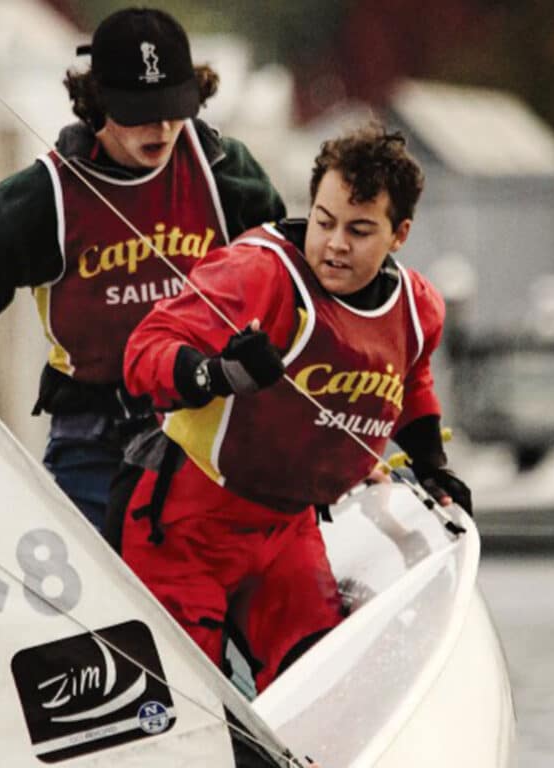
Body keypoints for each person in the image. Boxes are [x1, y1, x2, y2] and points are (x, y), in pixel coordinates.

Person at [116, 123, 472, 693]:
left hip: (289, 530)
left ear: (399, 234)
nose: (335, 244)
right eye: (325, 222)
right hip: (185, 523)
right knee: (190, 700)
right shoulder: (258, 272)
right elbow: (143, 351)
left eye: (359, 230)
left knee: (321, 686)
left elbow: (409, 378)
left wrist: (431, 463)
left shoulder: (418, 308)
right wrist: (216, 372)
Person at [0, 7, 285, 528]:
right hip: (94, 438)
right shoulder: (46, 197)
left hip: (211, 423)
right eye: (141, 111)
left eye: (174, 108)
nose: (162, 127)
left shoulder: (223, 173)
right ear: (99, 102)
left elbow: (294, 286)